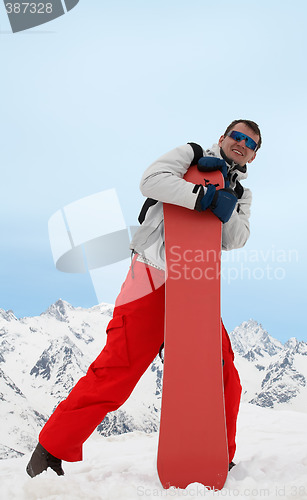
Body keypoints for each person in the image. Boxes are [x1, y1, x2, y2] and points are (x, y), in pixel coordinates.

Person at [26, 119, 262, 478]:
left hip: (196, 286)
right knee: (116, 371)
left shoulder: (242, 193)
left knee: (223, 373)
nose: (242, 144)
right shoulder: (191, 155)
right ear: (223, 138)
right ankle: (51, 449)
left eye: (251, 143)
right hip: (151, 276)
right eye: (237, 136)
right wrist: (204, 196)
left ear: (255, 155)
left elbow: (235, 239)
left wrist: (225, 204)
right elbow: (150, 181)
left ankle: (218, 454)